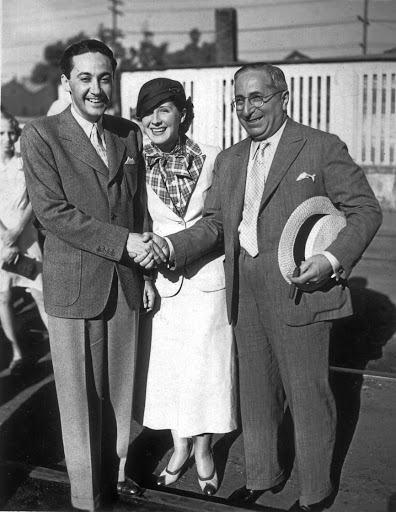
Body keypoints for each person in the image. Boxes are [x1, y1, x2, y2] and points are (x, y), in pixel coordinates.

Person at [140, 64, 382, 511]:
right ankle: (262, 476)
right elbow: (214, 225)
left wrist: (330, 259)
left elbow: (365, 210)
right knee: (257, 393)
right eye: (239, 101)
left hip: (300, 289)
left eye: (257, 98)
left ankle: (314, 495)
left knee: (307, 395)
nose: (247, 109)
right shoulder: (231, 160)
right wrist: (169, 247)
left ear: (282, 98)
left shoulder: (320, 147)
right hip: (242, 292)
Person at [21, 40, 165, 511]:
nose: (96, 89)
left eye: (104, 78)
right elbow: (53, 213)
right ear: (67, 83)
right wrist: (124, 243)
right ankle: (87, 496)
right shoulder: (41, 135)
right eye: (85, 78)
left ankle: (119, 476)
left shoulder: (128, 135)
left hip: (124, 284)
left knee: (120, 392)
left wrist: (144, 273)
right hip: (73, 286)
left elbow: (138, 206)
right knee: (80, 401)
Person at [136, 78, 237, 496]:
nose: (156, 119)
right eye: (148, 113)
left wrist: (175, 247)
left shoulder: (215, 158)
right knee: (172, 373)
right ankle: (179, 449)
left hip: (208, 284)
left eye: (165, 110)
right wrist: (144, 275)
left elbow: (221, 222)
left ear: (182, 113)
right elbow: (137, 224)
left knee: (207, 372)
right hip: (163, 288)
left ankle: (204, 452)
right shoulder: (135, 164)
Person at [0, 108, 48, 371]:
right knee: (3, 297)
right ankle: (17, 354)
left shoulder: (23, 161)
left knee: (39, 293)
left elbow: (34, 197)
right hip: (0, 241)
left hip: (25, 235)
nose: (7, 138)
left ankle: (60, 349)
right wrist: (5, 239)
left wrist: (17, 231)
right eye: (1, 133)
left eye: (11, 132)